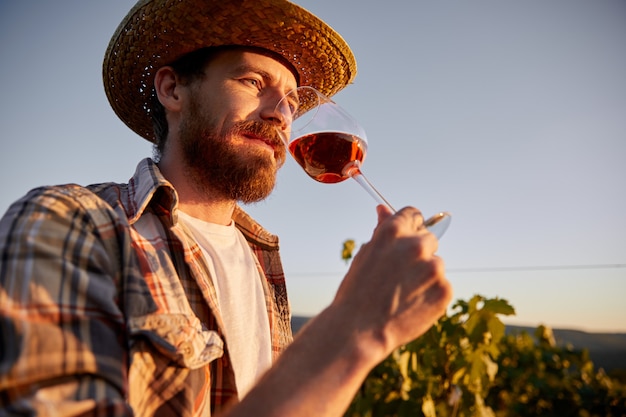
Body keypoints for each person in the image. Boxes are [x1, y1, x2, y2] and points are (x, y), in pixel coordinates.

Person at [0, 0, 452, 416]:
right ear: (173, 89)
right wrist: (355, 327)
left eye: (293, 101)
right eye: (253, 82)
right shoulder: (69, 223)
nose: (281, 114)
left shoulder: (262, 259)